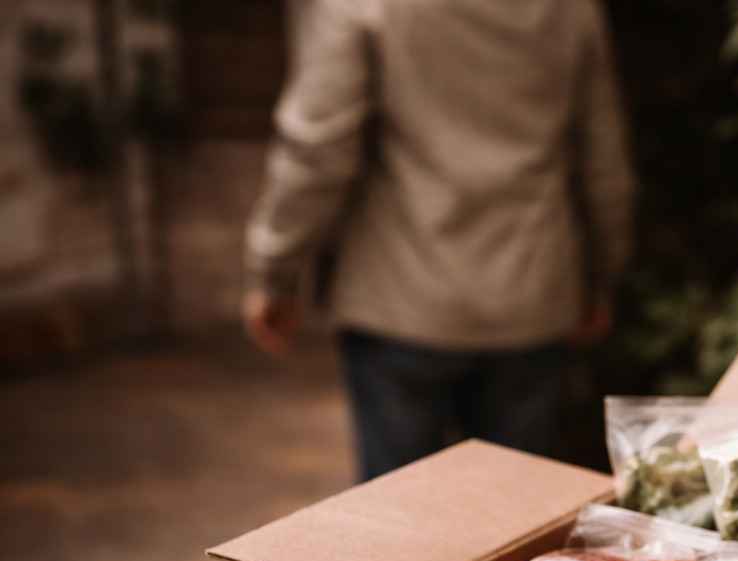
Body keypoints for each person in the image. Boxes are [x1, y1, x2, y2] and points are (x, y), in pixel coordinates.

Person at [243, 0, 634, 481]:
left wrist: (275, 271)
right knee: (509, 519)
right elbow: (603, 158)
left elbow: (319, 152)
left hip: (400, 300)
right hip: (531, 295)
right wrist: (600, 277)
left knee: (398, 524)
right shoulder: (571, 10)